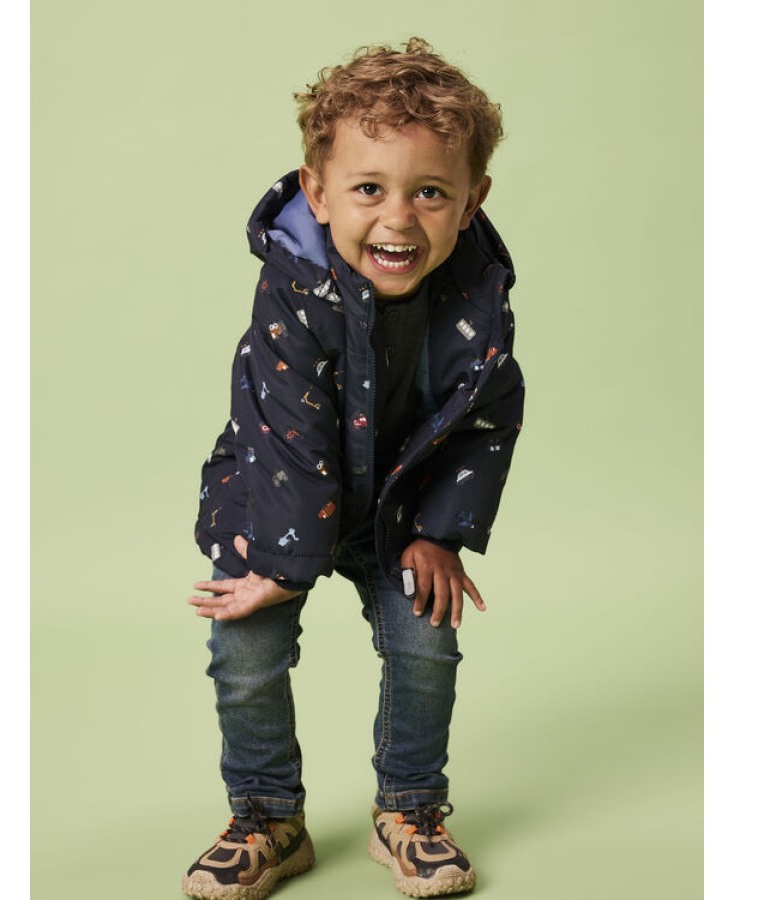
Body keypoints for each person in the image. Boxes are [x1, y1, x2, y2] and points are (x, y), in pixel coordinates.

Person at [182, 37, 525, 900]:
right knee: (245, 647)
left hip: (403, 504)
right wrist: (280, 565)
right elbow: (286, 429)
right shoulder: (292, 290)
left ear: (472, 201)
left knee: (427, 643)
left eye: (430, 193)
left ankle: (408, 808)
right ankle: (266, 816)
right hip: (276, 494)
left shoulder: (479, 299)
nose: (398, 219)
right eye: (369, 189)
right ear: (317, 191)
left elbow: (487, 418)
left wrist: (440, 532)